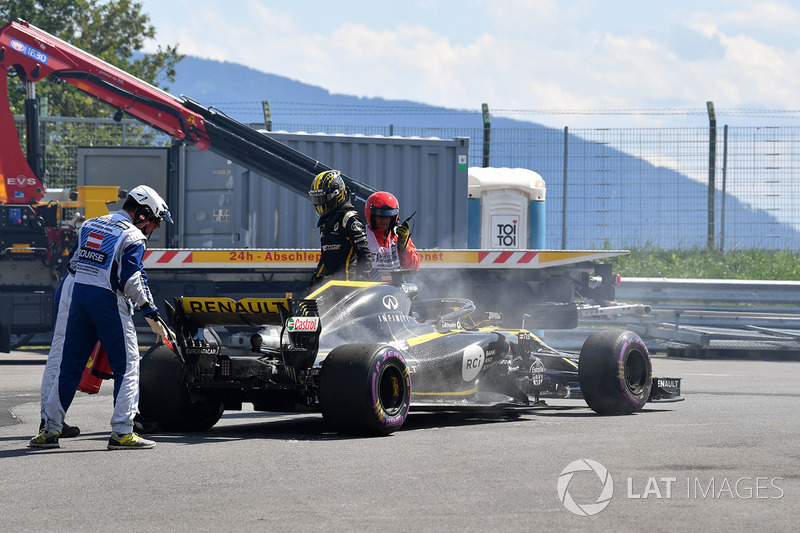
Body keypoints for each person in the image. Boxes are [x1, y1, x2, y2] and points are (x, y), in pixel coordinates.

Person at [30, 185, 173, 450]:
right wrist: (150, 312)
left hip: (80, 297)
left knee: (69, 365)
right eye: (154, 221)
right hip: (108, 301)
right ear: (142, 214)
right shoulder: (132, 236)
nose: (153, 228)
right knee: (128, 365)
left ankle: (49, 431)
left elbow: (72, 264)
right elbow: (131, 281)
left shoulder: (90, 224)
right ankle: (122, 432)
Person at [307, 170, 372, 289]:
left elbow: (365, 254)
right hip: (329, 288)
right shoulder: (325, 223)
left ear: (337, 194)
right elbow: (325, 259)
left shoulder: (350, 219)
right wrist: (314, 282)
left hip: (347, 286)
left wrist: (360, 282)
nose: (320, 203)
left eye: (323, 198)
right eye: (317, 199)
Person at [364, 191, 420, 282]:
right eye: (379, 216)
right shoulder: (362, 236)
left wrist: (404, 246)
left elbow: (413, 267)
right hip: (371, 291)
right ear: (371, 216)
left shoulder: (399, 236)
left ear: (394, 218)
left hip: (395, 290)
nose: (384, 220)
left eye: (388, 217)